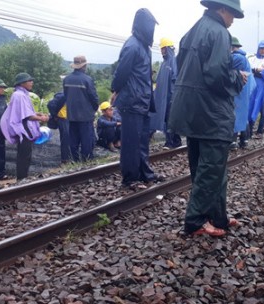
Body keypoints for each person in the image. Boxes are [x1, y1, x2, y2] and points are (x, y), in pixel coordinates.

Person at [167, 0, 246, 237]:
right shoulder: (220, 32)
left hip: (192, 109)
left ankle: (217, 216)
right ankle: (195, 222)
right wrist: (237, 78)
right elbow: (216, 74)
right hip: (211, 112)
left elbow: (185, 67)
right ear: (222, 9)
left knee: (206, 166)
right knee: (212, 169)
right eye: (232, 13)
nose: (233, 19)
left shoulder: (193, 30)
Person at [111, 8, 162, 190]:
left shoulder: (143, 46)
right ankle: (129, 179)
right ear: (142, 26)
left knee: (141, 140)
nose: (152, 31)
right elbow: (121, 72)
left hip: (143, 101)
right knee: (131, 143)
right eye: (150, 27)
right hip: (132, 101)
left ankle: (144, 173)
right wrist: (115, 89)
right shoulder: (132, 46)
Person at [0, 73, 49, 181]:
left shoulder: (21, 94)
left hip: (23, 126)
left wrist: (37, 113)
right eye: (29, 81)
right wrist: (41, 119)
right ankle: (21, 178)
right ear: (22, 83)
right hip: (23, 128)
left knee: (25, 153)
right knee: (24, 154)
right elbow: (26, 116)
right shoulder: (20, 95)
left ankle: (22, 177)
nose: (32, 82)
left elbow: (23, 112)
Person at [63, 55, 99, 161]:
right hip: (85, 115)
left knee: (73, 140)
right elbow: (93, 97)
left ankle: (75, 160)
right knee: (86, 140)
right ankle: (86, 161)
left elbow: (66, 96)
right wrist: (94, 108)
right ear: (84, 66)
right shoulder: (87, 79)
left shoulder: (66, 79)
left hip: (71, 114)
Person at [150, 37, 181, 149]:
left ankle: (171, 142)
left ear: (168, 48)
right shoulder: (164, 64)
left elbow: (175, 79)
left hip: (170, 98)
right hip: (163, 98)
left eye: (164, 48)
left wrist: (173, 97)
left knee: (169, 119)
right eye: (161, 49)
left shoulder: (173, 61)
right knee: (166, 119)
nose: (162, 51)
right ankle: (175, 140)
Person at [230, 36, 256, 149]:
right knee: (242, 114)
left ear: (231, 47)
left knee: (235, 114)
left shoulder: (236, 58)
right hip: (244, 90)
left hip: (239, 90)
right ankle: (244, 140)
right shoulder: (243, 57)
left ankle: (233, 142)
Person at [247, 40, 264, 138]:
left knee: (263, 110)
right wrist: (256, 70)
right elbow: (248, 70)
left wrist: (255, 71)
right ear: (258, 49)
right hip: (252, 88)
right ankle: (249, 131)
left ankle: (260, 131)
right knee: (250, 107)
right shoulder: (252, 59)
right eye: (261, 48)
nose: (263, 51)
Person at [46, 91, 71, 164]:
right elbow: (50, 104)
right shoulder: (63, 96)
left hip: (70, 119)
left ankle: (70, 157)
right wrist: (55, 115)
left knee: (70, 138)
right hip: (63, 119)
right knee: (66, 139)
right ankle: (65, 159)